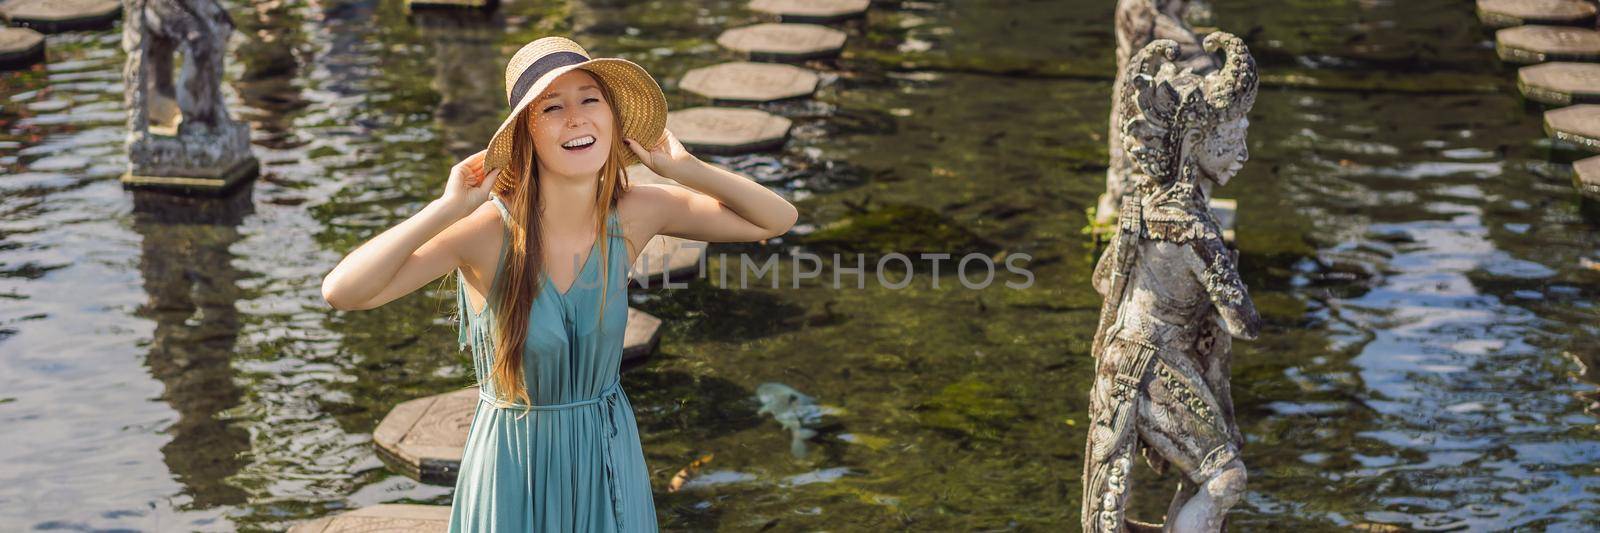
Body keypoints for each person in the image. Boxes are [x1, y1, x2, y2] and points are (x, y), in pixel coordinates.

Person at [319, 36, 797, 532]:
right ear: (527, 133)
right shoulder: (486, 232)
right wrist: (446, 208)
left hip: (608, 457)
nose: (576, 117)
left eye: (590, 99)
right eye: (552, 107)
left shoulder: (636, 212)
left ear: (613, 118)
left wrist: (685, 169)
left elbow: (775, 219)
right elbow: (344, 291)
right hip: (514, 470)